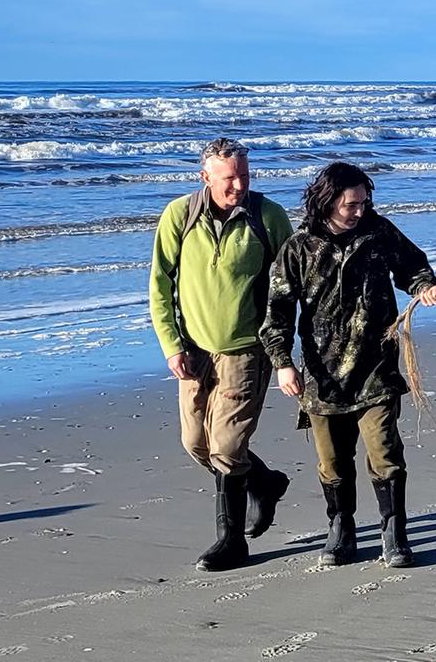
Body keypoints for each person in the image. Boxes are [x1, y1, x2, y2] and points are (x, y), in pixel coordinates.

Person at [260, 162, 436, 568]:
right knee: (332, 461)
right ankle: (340, 527)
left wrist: (424, 285)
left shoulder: (379, 233)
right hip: (322, 375)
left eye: (364, 202)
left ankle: (394, 532)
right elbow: (277, 312)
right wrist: (282, 364)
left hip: (377, 367)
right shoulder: (298, 248)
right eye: (351, 204)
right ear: (327, 201)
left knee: (385, 450)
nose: (360, 210)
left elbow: (412, 265)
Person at [147, 137, 295, 572]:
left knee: (227, 447)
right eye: (229, 177)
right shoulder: (179, 215)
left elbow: (291, 285)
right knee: (196, 444)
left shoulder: (268, 216)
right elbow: (160, 285)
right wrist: (172, 345)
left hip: (246, 350)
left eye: (244, 175)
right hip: (193, 351)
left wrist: (283, 353)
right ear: (205, 177)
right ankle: (265, 482)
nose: (239, 185)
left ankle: (231, 542)